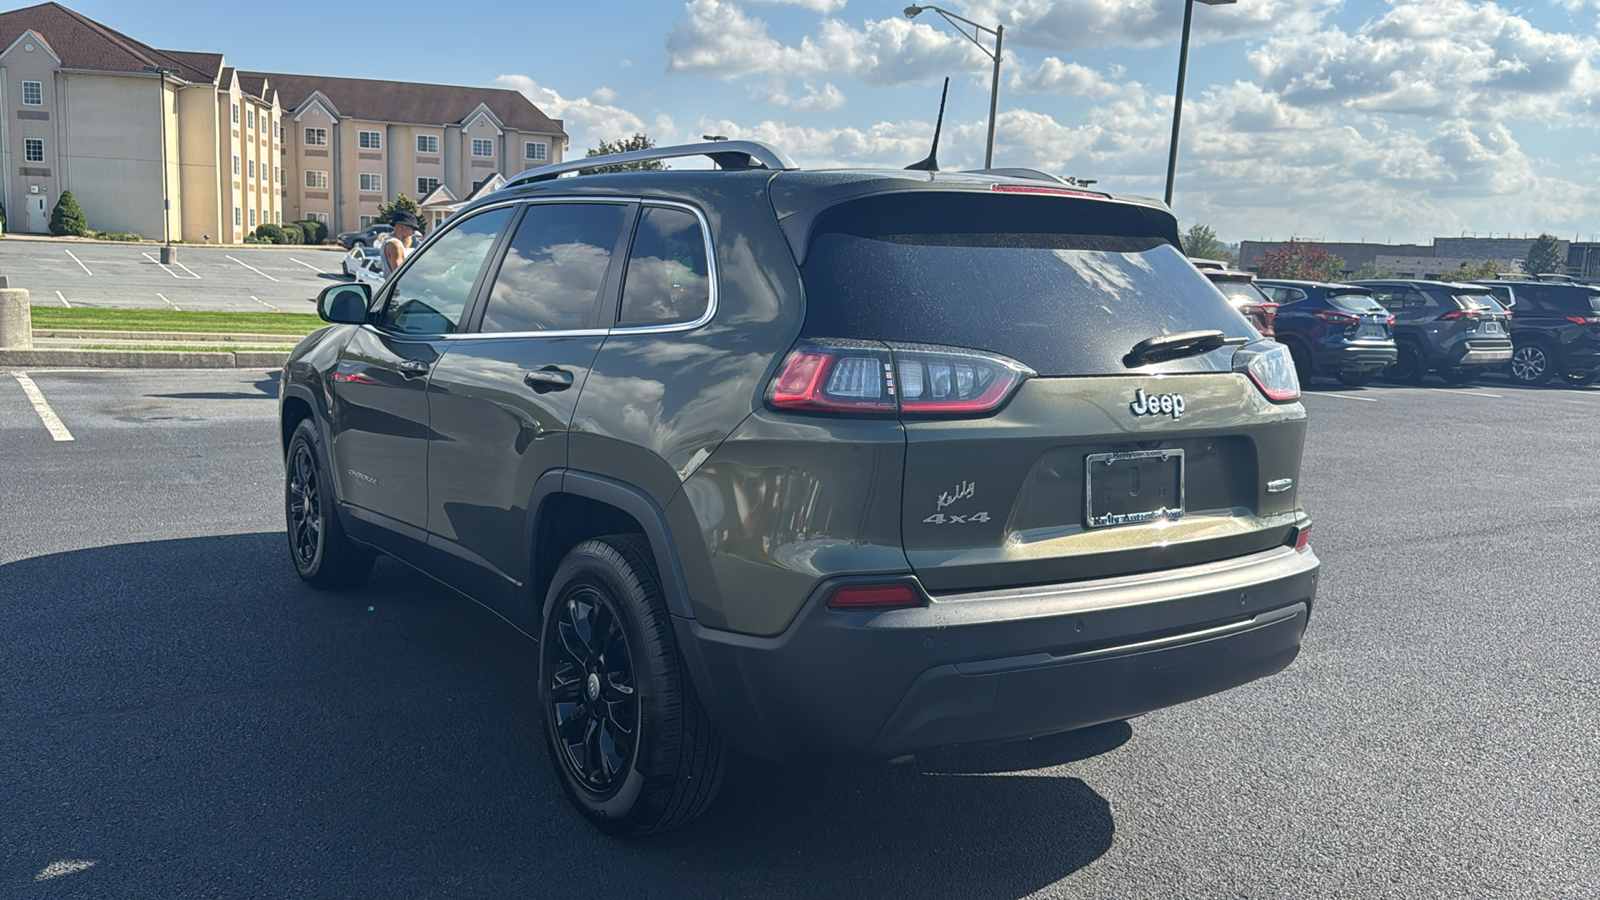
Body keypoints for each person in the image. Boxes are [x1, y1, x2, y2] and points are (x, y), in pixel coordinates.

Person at [378, 211, 421, 280]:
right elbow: (400, 275)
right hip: (398, 289)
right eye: (412, 228)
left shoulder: (390, 242)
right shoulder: (395, 245)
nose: (413, 233)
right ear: (403, 226)